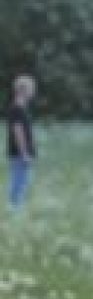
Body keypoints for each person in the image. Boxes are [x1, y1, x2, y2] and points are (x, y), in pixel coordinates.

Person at [7, 74, 35, 214]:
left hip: (21, 153)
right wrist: (24, 153)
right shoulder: (17, 108)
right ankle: (16, 212)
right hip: (20, 154)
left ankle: (16, 210)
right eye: (31, 88)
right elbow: (18, 132)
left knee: (21, 183)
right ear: (23, 90)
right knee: (19, 184)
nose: (33, 92)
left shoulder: (20, 108)